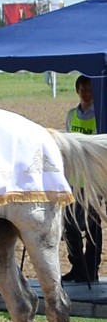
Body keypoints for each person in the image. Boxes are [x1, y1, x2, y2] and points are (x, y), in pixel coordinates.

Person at [63, 76, 101, 283]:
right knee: (70, 225)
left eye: (90, 90)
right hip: (74, 179)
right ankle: (77, 266)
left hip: (93, 180)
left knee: (93, 225)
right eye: (83, 90)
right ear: (78, 91)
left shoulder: (100, 115)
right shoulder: (72, 115)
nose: (87, 94)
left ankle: (91, 268)